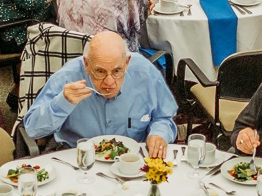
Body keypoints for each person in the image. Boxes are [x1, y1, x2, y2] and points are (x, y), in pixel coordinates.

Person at [23, 30, 176, 152]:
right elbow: (32, 130)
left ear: (127, 63)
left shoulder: (144, 71)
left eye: (117, 71)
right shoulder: (67, 77)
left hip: (132, 160)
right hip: (79, 158)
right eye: (100, 72)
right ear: (87, 64)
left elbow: (164, 117)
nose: (109, 82)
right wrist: (61, 103)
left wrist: (159, 134)